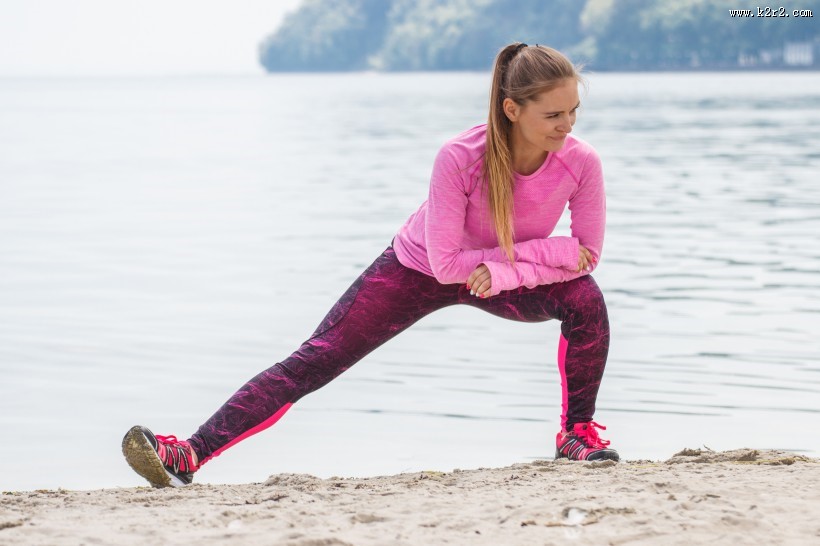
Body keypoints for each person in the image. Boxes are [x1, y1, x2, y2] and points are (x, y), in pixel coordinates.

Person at [122, 42, 618, 488]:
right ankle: (189, 453)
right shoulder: (459, 157)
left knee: (586, 300)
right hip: (417, 268)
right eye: (554, 114)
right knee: (316, 358)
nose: (568, 124)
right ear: (512, 109)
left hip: (502, 276)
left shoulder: (581, 162)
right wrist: (548, 253)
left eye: (574, 110)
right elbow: (446, 265)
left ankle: (576, 434)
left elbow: (586, 253)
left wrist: (511, 272)